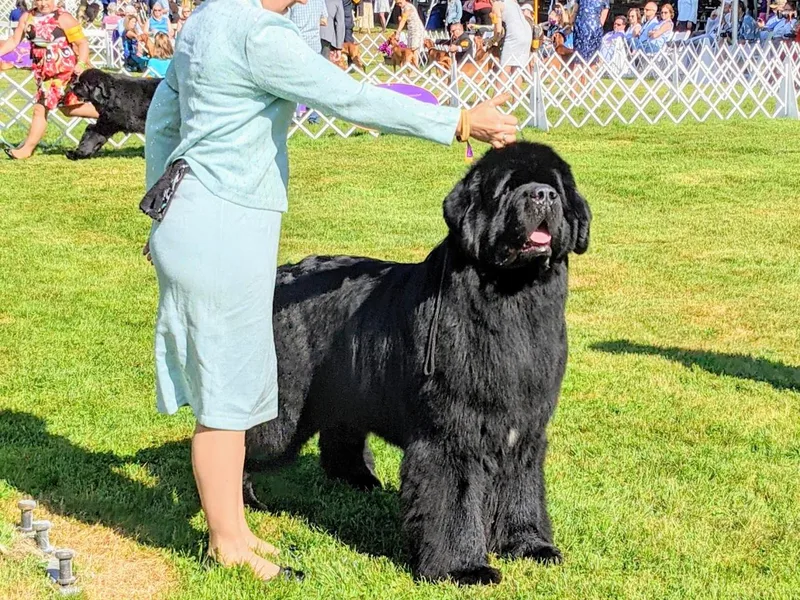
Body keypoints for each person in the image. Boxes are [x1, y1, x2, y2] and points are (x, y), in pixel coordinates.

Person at [142, 0, 517, 584]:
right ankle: (225, 542)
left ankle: (235, 528)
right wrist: (461, 121)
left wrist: (162, 204)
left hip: (192, 214)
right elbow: (349, 98)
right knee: (226, 394)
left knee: (227, 384)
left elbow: (163, 118)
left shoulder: (205, 20)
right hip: (224, 224)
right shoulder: (259, 35)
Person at [0, 0, 99, 159]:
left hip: (64, 72)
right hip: (44, 73)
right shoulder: (27, 17)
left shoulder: (64, 18)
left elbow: (82, 43)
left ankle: (26, 149)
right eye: (37, 0)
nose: (42, 3)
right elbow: (13, 41)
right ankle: (109, 115)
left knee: (41, 109)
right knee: (68, 109)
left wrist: (81, 63)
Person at [491, 0, 532, 74]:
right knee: (516, 69)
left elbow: (498, 29)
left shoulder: (496, 5)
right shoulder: (514, 3)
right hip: (527, 33)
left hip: (514, 35)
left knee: (504, 67)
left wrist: (493, 40)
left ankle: (500, 86)